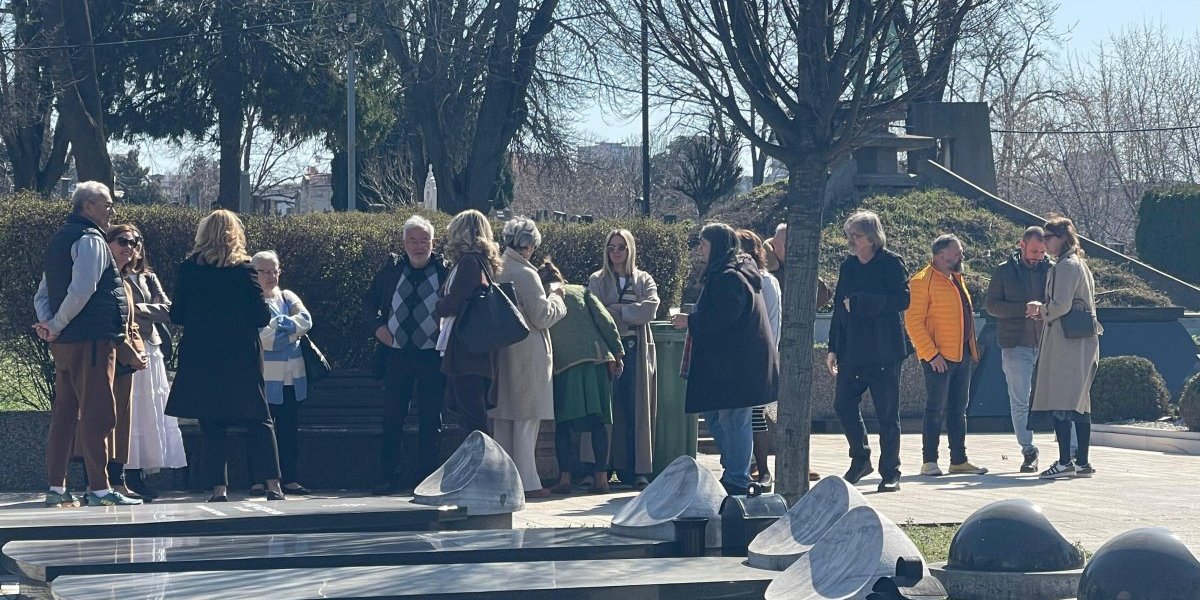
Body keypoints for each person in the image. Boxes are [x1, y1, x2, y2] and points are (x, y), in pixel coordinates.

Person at [34, 182, 142, 507]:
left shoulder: (60, 239)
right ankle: (99, 489)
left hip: (65, 344)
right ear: (89, 205)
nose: (112, 211)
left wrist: (49, 325)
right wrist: (56, 324)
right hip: (92, 340)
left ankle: (56, 488)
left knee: (64, 415)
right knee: (99, 414)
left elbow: (43, 292)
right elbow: (83, 290)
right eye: (107, 204)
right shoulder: (91, 239)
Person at [165, 210, 284, 502]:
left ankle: (219, 488)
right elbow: (261, 316)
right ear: (236, 235)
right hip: (241, 353)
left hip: (202, 353)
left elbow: (177, 314)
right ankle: (273, 485)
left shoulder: (189, 269)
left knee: (212, 421)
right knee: (259, 417)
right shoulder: (244, 270)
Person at [674, 223, 779, 495]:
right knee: (718, 415)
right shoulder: (737, 271)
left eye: (704, 244)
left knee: (733, 419)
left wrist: (690, 320)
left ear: (717, 246)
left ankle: (736, 477)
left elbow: (725, 315)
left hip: (736, 365)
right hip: (735, 363)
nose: (701, 249)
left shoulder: (729, 276)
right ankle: (734, 468)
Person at [363, 215, 449, 495]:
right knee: (392, 418)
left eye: (424, 240)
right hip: (396, 356)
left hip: (432, 357)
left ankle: (426, 479)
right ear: (404, 243)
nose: (418, 246)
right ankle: (388, 476)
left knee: (431, 420)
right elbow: (368, 302)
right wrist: (377, 326)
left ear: (433, 242)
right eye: (412, 240)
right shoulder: (392, 270)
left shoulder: (445, 271)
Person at [826, 211, 910, 493]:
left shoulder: (891, 263)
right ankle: (861, 458)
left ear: (873, 237)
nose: (852, 240)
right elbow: (839, 306)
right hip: (852, 348)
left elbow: (902, 299)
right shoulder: (848, 266)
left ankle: (891, 471)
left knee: (887, 414)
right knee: (843, 404)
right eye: (850, 235)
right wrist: (833, 347)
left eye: (858, 235)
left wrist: (862, 303)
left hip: (884, 349)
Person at [493, 217, 566, 498]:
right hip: (527, 352)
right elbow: (542, 316)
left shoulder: (498, 267)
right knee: (526, 420)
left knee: (503, 421)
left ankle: (503, 480)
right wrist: (557, 296)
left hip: (503, 351)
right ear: (529, 245)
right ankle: (528, 482)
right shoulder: (526, 273)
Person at [538, 259, 624, 495]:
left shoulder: (542, 298)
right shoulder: (581, 290)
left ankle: (564, 479)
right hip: (597, 359)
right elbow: (605, 320)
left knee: (564, 424)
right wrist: (617, 353)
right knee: (598, 422)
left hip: (565, 364)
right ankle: (601, 479)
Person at [905, 234, 988, 477]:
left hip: (961, 354)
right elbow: (913, 322)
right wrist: (931, 355)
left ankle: (959, 460)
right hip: (939, 358)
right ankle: (929, 461)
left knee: (958, 409)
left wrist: (969, 351)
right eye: (956, 252)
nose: (961, 255)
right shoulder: (921, 281)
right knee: (935, 408)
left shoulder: (955, 277)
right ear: (941, 256)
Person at [1028, 216, 1102, 480]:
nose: (1044, 242)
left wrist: (1040, 309)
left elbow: (1061, 305)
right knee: (1079, 403)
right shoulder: (1078, 263)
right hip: (1080, 340)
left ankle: (1064, 462)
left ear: (1061, 238)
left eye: (1048, 237)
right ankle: (1082, 462)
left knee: (1060, 399)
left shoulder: (1066, 266)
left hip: (1066, 342)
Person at [588, 229, 659, 490]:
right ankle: (600, 469)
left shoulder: (644, 279)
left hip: (636, 349)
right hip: (607, 350)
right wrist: (629, 313)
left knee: (635, 410)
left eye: (621, 247)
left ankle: (636, 470)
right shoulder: (597, 279)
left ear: (630, 249)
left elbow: (650, 309)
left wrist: (618, 310)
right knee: (606, 410)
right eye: (611, 248)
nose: (615, 252)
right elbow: (594, 312)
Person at [121, 226, 187, 499]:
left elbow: (169, 309)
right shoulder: (113, 275)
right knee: (130, 409)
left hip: (150, 346)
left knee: (148, 411)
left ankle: (139, 474)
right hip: (125, 346)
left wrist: (138, 309)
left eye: (136, 241)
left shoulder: (148, 277)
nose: (132, 246)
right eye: (125, 241)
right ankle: (124, 472)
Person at [762, 221, 829, 481]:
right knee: (764, 409)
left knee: (793, 406)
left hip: (794, 345)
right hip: (770, 345)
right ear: (774, 244)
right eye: (786, 245)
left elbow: (822, 296)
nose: (791, 249)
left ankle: (799, 459)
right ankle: (760, 462)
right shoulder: (766, 268)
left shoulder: (797, 265)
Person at [984, 226, 1053, 473]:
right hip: (1015, 343)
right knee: (1020, 400)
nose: (1038, 256)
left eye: (1042, 252)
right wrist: (1024, 309)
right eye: (1034, 251)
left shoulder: (1053, 269)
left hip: (1048, 343)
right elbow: (991, 305)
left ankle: (1072, 451)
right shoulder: (1004, 271)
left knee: (1059, 397)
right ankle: (1028, 450)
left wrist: (1043, 309)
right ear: (1021, 245)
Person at [251, 250, 313, 496]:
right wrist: (291, 332)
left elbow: (306, 320)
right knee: (261, 430)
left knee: (289, 430)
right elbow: (263, 339)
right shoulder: (252, 301)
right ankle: (258, 479)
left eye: (274, 271)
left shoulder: (287, 296)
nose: (270, 276)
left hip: (292, 378)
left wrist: (280, 326)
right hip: (264, 378)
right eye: (263, 271)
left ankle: (290, 478)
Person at [435, 209, 501, 437]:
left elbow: (453, 302)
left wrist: (439, 305)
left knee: (473, 418)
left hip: (467, 353)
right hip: (479, 350)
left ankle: (484, 460)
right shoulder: (483, 261)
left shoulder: (469, 262)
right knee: (473, 414)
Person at [737, 230, 780, 487]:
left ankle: (764, 470)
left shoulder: (762, 281)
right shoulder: (761, 280)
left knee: (755, 416)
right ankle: (753, 466)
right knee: (750, 416)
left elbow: (769, 322)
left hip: (758, 357)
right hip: (756, 356)